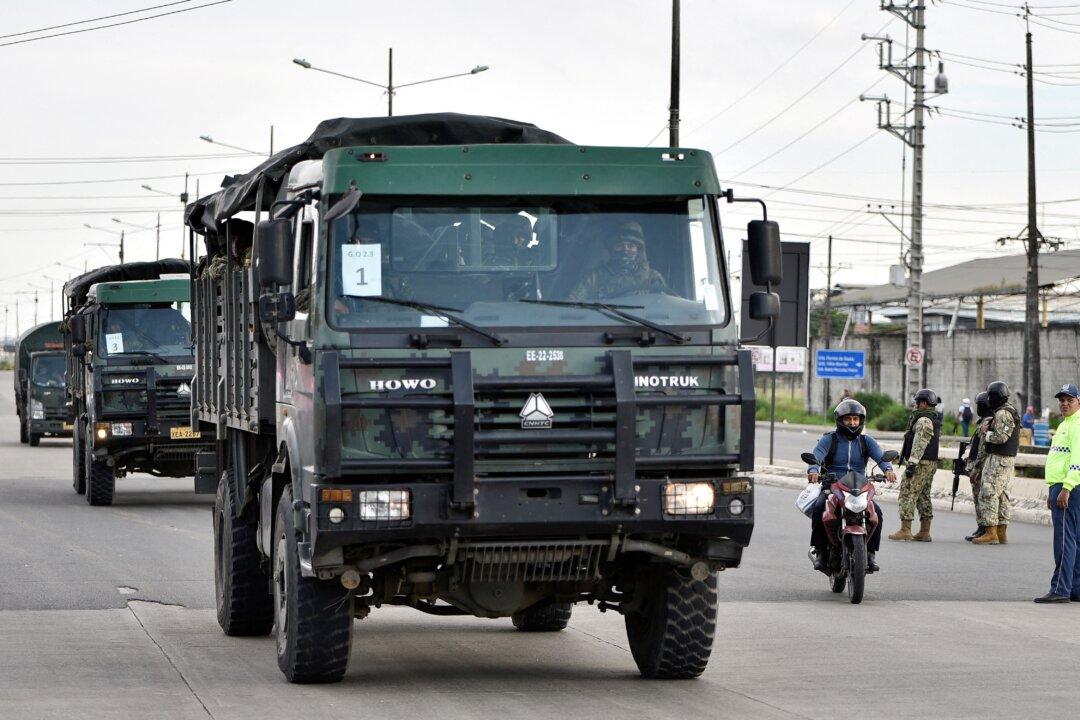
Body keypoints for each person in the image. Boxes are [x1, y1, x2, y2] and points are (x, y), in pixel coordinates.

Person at [806, 398, 896, 573]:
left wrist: (888, 469)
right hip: (833, 486)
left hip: (859, 488)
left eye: (856, 419)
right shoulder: (829, 439)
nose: (853, 423)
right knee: (819, 509)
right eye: (848, 419)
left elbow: (881, 457)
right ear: (840, 420)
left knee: (876, 513)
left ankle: (870, 553)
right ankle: (820, 551)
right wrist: (814, 469)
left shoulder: (866, 441)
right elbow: (817, 455)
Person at [1034, 384, 1080, 602]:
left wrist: (1066, 488)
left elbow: (1077, 461)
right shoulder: (1065, 424)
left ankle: (1060, 589)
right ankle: (1075, 589)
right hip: (1061, 486)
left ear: (1078, 402)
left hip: (1068, 488)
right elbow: (1059, 459)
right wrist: (1052, 489)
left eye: (1070, 400)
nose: (1064, 404)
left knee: (1064, 541)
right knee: (1075, 540)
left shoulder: (1076, 425)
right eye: (1062, 400)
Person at [566, 221, 671, 301]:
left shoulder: (652, 277)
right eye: (619, 245)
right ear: (612, 249)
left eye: (631, 246)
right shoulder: (594, 277)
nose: (625, 250)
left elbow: (664, 308)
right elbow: (571, 304)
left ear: (638, 250)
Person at [972, 380, 1020, 545]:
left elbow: (1001, 437)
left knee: (989, 493)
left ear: (994, 397)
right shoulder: (1008, 410)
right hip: (1003, 459)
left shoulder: (1002, 413)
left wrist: (986, 433)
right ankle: (1001, 533)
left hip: (999, 459)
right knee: (1001, 495)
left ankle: (991, 532)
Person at [890, 388, 941, 542]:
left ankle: (905, 529)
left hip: (920, 463)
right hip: (928, 462)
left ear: (923, 403)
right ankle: (924, 531)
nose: (915, 405)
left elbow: (920, 443)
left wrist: (912, 464)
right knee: (923, 496)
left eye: (917, 402)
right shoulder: (931, 418)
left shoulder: (923, 420)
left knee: (907, 492)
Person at [964, 392, 993, 542]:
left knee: (980, 498)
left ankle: (983, 528)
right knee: (979, 498)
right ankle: (981, 527)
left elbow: (982, 449)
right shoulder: (984, 422)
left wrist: (976, 469)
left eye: (979, 405)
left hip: (981, 467)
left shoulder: (986, 423)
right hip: (979, 464)